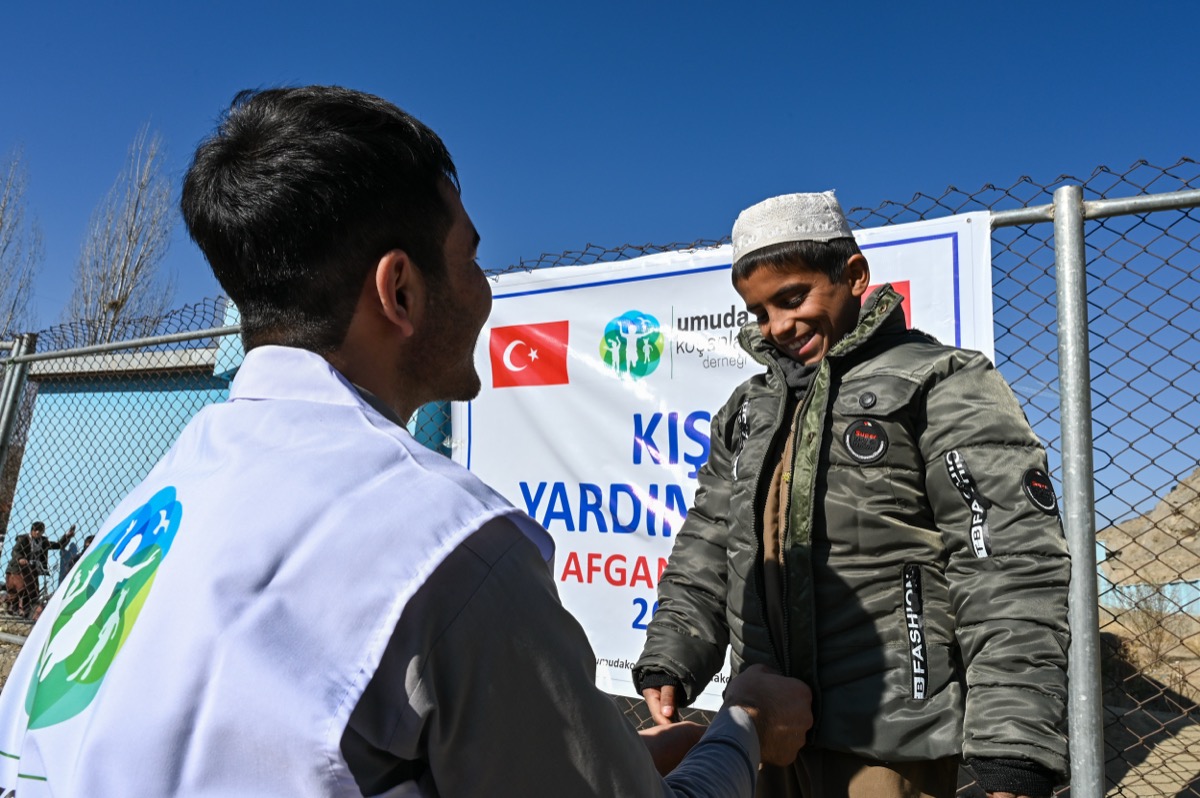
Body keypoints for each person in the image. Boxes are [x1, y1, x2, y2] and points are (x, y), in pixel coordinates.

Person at [0, 86, 814, 797]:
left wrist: (616, 759)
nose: (485, 290)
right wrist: (741, 733)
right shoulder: (445, 543)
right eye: (470, 257)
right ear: (400, 290)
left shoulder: (162, 500)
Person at [634, 191, 1071, 798]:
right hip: (767, 729)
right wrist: (674, 653)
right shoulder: (748, 409)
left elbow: (1008, 562)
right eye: (759, 312)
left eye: (793, 298)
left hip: (888, 741)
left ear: (854, 275)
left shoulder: (942, 381)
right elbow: (708, 543)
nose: (778, 326)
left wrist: (1014, 744)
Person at [4, 521, 75, 618]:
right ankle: (10, 607)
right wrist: (20, 558)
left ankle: (25, 611)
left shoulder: (43, 541)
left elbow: (58, 545)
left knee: (33, 591)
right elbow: (15, 551)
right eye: (35, 530)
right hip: (18, 568)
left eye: (40, 530)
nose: (37, 532)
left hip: (32, 569)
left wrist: (67, 536)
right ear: (32, 530)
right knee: (20, 588)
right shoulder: (23, 539)